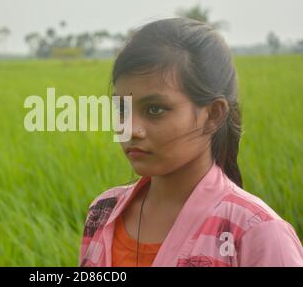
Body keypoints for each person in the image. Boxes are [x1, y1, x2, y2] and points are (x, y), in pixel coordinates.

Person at [79, 18, 303, 267]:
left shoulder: (255, 233)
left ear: (213, 115)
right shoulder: (103, 212)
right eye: (122, 109)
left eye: (155, 109)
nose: (130, 129)